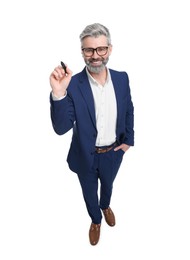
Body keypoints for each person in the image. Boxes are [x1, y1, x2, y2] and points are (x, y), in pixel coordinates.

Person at [49, 23, 134, 245]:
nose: (95, 56)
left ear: (110, 49)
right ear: (82, 51)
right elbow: (61, 128)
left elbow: (128, 109)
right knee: (89, 192)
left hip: (113, 152)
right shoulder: (73, 84)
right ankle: (96, 219)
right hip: (84, 156)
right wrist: (59, 93)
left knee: (108, 186)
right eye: (89, 50)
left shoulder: (122, 78)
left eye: (101, 49)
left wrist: (127, 143)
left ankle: (105, 206)